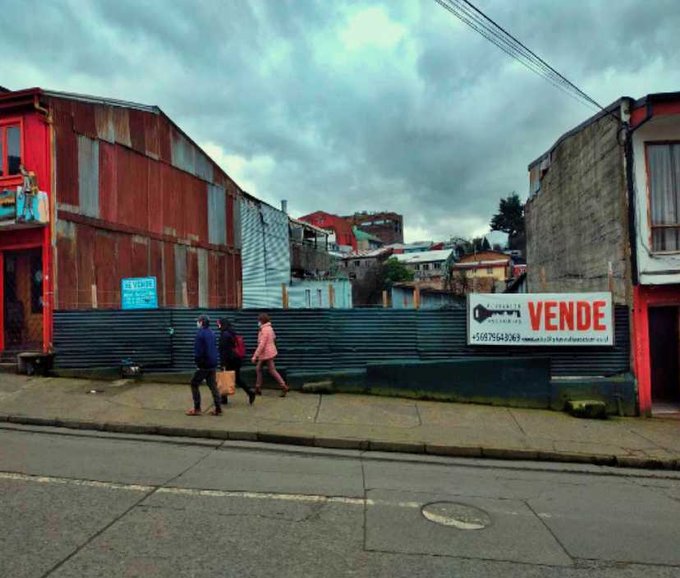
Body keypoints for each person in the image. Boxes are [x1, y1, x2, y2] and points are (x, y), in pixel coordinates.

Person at [186, 314, 222, 416]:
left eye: (198, 321)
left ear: (201, 322)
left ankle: (197, 408)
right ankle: (218, 408)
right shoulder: (212, 333)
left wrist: (198, 363)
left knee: (194, 383)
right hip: (212, 363)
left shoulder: (200, 334)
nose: (197, 323)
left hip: (204, 364)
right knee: (213, 385)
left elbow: (199, 351)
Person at [217, 318, 256, 406]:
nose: (218, 326)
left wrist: (223, 363)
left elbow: (225, 351)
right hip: (236, 359)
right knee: (237, 379)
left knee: (224, 377)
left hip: (230, 360)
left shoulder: (225, 335)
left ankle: (224, 399)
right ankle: (250, 392)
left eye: (219, 324)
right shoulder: (231, 332)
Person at [252, 313, 289, 397]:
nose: (258, 322)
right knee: (263, 369)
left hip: (265, 353)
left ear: (262, 321)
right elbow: (274, 338)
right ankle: (258, 387)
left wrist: (255, 356)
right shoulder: (270, 328)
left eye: (259, 321)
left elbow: (262, 344)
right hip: (269, 352)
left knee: (267, 369)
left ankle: (283, 386)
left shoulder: (264, 330)